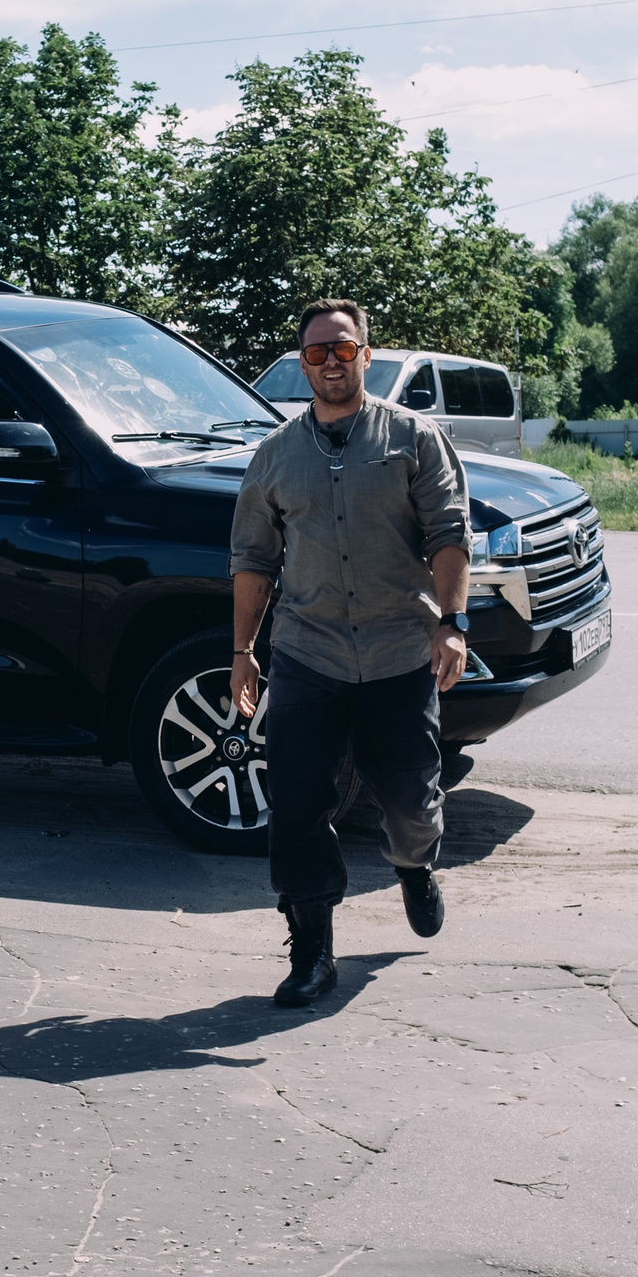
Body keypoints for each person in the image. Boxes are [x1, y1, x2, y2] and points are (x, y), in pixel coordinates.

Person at [228, 300, 471, 1007]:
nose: (330, 362)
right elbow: (252, 558)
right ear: (301, 363)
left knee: (410, 801)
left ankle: (415, 862)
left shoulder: (414, 439)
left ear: (367, 352)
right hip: (308, 652)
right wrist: (243, 650)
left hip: (398, 650)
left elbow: (449, 534)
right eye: (316, 353)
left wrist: (452, 623)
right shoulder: (274, 456)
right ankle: (312, 950)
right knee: (299, 805)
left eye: (343, 349)